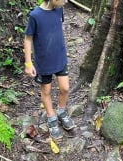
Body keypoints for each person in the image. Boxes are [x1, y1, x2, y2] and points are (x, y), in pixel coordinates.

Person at [24, 0, 75, 139]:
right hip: (44, 61)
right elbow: (28, 39)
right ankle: (51, 117)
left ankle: (62, 111)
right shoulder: (35, 15)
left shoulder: (59, 9)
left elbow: (56, 28)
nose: (65, 0)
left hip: (59, 56)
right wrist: (28, 63)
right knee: (46, 90)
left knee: (65, 88)